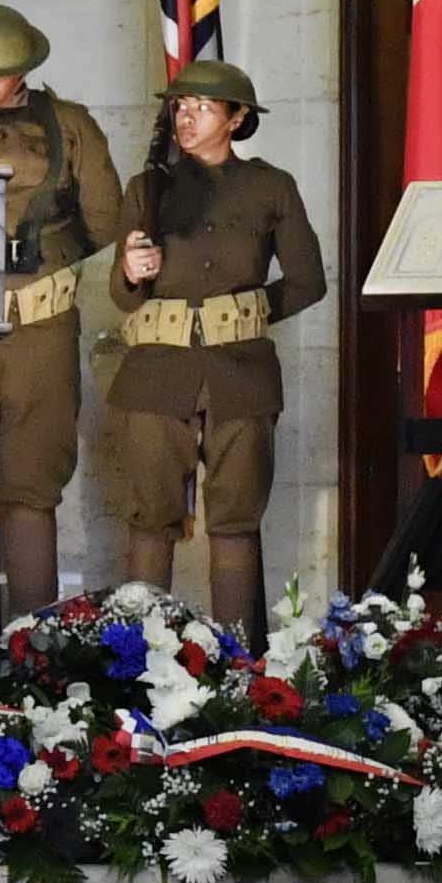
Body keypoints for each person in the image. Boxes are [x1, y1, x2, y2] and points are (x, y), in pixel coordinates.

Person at [99, 59, 328, 633]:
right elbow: (122, 298)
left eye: (202, 107)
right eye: (180, 106)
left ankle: (239, 668)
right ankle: (140, 661)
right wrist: (131, 270)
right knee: (150, 520)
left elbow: (308, 281)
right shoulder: (146, 187)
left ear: (237, 118)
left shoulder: (270, 187)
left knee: (235, 522)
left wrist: (239, 315)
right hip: (154, 375)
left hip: (240, 375)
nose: (187, 117)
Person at [0, 0, 122, 609]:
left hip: (39, 330)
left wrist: (40, 255)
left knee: (30, 492)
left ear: (22, 71)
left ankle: (30, 655)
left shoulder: (69, 125)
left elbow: (107, 222)